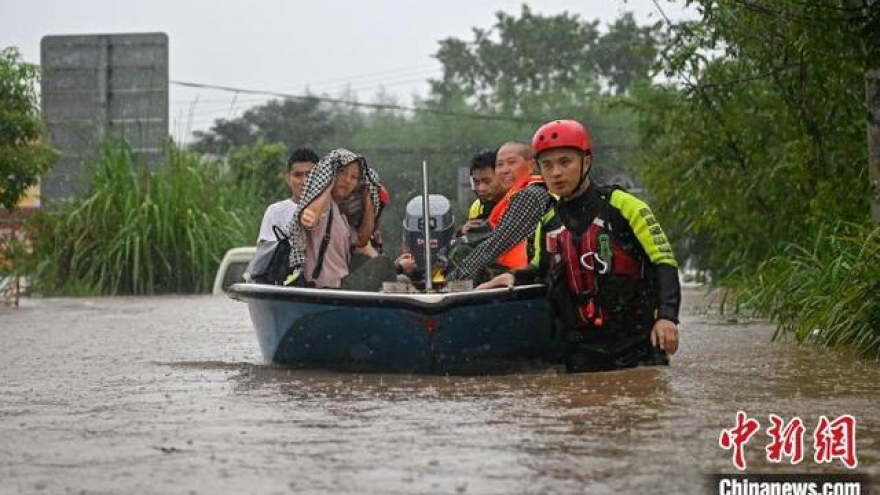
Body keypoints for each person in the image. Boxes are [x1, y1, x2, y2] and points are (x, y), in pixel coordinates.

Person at [478, 119, 681, 373]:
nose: (556, 173)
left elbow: (663, 261)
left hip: (637, 350)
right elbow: (541, 270)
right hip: (580, 354)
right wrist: (511, 276)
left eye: (565, 162)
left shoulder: (625, 206)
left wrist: (667, 317)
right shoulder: (548, 221)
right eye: (547, 165)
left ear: (586, 161)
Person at [287, 148, 395, 290]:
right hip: (324, 289)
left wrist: (368, 203)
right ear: (331, 174)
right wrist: (327, 185)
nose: (347, 180)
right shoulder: (324, 204)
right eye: (342, 173)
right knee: (384, 264)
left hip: (341, 286)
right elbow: (310, 218)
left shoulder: (340, 214)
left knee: (365, 260)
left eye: (354, 177)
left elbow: (362, 240)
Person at [447, 141, 550, 282]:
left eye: (512, 162)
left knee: (459, 252)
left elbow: (499, 242)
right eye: (499, 165)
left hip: (524, 278)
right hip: (516, 274)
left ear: (531, 165)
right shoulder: (515, 196)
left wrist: (454, 280)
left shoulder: (530, 194)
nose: (505, 170)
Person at [256, 148, 318, 244]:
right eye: (298, 175)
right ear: (288, 179)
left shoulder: (332, 210)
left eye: (310, 174)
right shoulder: (276, 211)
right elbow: (266, 252)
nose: (304, 181)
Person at [461, 148, 504, 234]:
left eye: (487, 181)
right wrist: (463, 233)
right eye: (476, 182)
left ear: (502, 176)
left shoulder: (518, 202)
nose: (481, 188)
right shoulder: (477, 207)